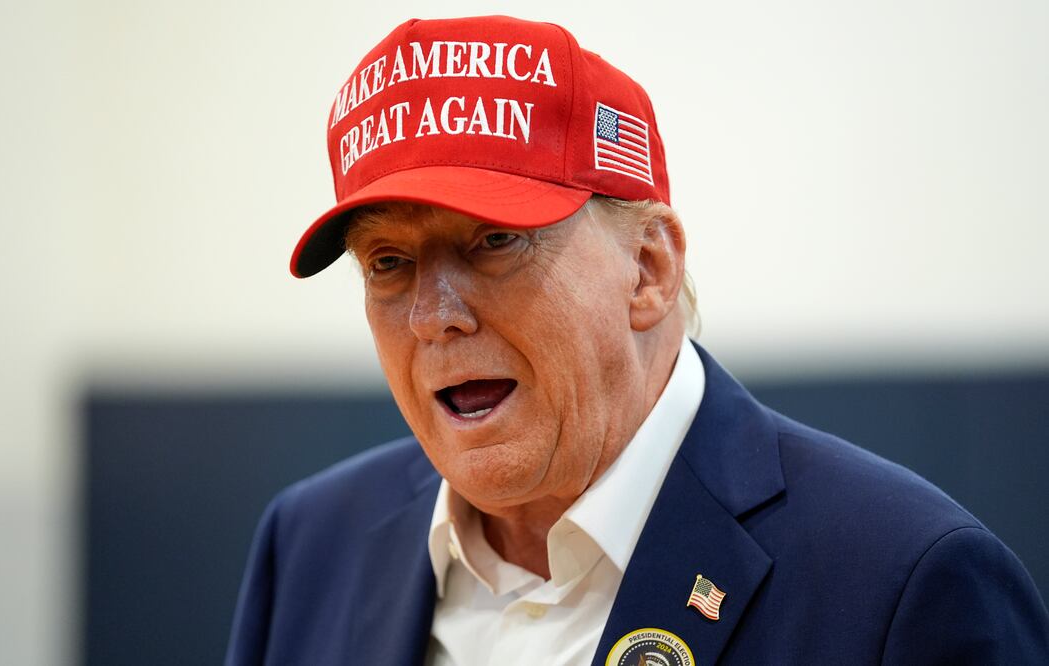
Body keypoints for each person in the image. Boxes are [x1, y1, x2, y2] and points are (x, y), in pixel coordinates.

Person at [226, 15, 1049, 665]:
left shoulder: (902, 582)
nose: (434, 315)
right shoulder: (310, 545)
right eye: (390, 262)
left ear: (649, 269)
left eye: (495, 242)